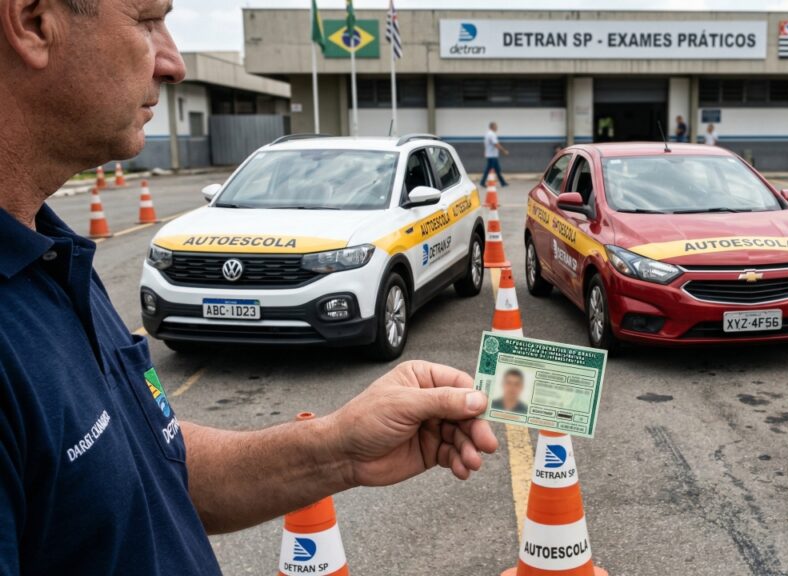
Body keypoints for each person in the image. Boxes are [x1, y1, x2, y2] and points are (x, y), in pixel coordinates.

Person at [0, 1, 498, 573]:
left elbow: (152, 462)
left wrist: (338, 448)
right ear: (35, 21)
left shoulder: (49, 253)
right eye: (146, 21)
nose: (174, 62)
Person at [481, 121, 509, 187]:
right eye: (496, 126)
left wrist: (485, 152)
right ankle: (482, 182)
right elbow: (496, 144)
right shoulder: (492, 134)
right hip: (492, 156)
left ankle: (503, 183)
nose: (497, 127)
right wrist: (504, 151)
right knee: (489, 170)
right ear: (492, 127)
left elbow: (486, 144)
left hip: (491, 155)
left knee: (497, 169)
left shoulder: (487, 134)